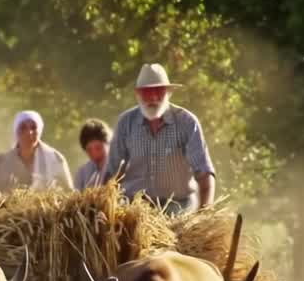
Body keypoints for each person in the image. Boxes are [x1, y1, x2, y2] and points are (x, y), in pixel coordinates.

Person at [105, 63, 216, 214]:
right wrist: (106, 207)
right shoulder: (126, 122)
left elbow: (204, 173)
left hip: (179, 209)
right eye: (147, 93)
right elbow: (112, 173)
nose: (153, 98)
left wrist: (204, 213)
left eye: (158, 91)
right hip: (134, 209)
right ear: (138, 94)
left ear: (168, 93)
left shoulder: (187, 122)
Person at [0, 110, 74, 195]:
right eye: (23, 128)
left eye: (33, 127)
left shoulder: (55, 159)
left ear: (40, 130)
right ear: (16, 131)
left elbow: (68, 193)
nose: (29, 132)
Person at [73, 119, 111, 191]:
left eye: (99, 148)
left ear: (108, 144)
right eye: (89, 150)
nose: (95, 154)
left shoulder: (121, 169)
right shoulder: (81, 174)